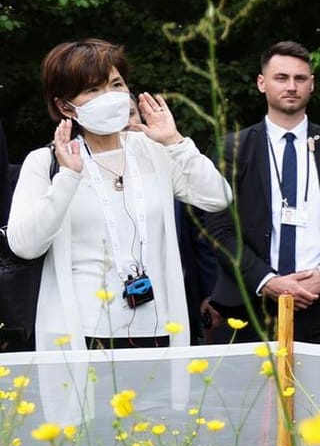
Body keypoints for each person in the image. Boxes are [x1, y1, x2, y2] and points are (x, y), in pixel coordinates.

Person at [6, 39, 230, 351]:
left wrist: (176, 142)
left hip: (159, 327)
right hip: (81, 333)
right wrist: (68, 178)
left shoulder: (153, 150)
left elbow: (218, 197)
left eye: (116, 84)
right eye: (93, 90)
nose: (110, 97)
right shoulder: (47, 162)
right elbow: (24, 244)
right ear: (64, 105)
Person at [203, 41, 320, 346]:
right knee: (251, 395)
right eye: (281, 78)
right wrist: (269, 281)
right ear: (262, 83)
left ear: (312, 84)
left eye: (300, 78)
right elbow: (219, 229)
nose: (291, 86)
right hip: (252, 303)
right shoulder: (232, 149)